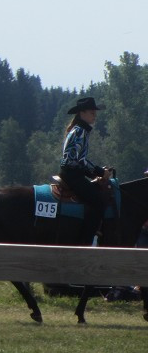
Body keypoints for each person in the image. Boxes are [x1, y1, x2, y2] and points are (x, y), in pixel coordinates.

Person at [59, 96, 113, 246]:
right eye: (92, 113)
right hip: (72, 174)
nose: (94, 116)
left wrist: (97, 171)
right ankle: (86, 240)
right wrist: (99, 172)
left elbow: (79, 160)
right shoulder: (80, 131)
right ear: (82, 113)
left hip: (72, 173)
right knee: (97, 202)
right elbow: (76, 160)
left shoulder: (79, 130)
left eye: (95, 113)